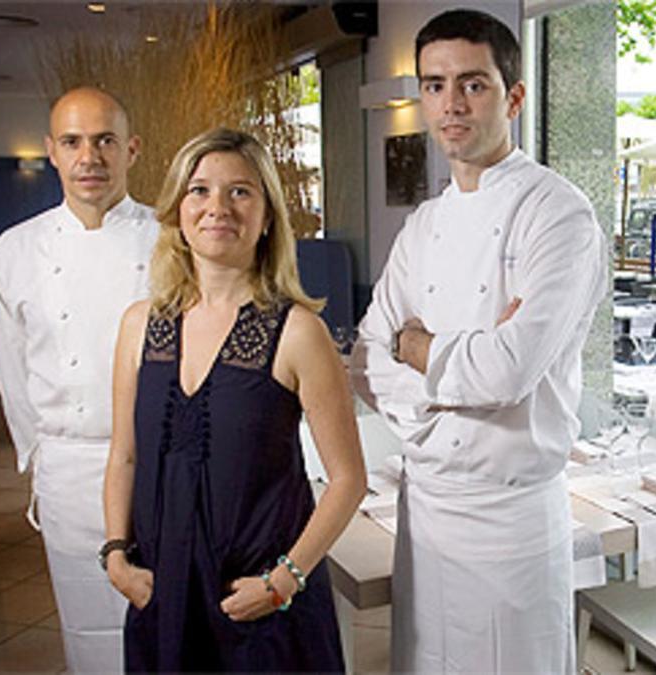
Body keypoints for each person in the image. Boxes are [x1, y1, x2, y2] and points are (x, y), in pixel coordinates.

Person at [349, 9, 606, 673]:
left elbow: (508, 371)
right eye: (434, 85)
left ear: (514, 97)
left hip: (511, 519)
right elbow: (366, 360)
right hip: (426, 508)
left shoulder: (560, 214)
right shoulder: (423, 224)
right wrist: (451, 381)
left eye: (473, 84)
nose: (450, 104)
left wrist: (419, 347)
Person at [102, 127, 365, 672]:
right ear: (177, 209)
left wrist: (283, 580)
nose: (217, 206)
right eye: (199, 190)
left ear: (267, 216)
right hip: (164, 592)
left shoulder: (297, 332)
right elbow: (124, 455)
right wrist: (115, 555)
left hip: (259, 604)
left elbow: (347, 480)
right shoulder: (138, 325)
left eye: (241, 191)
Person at [0, 86, 157, 672]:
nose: (90, 157)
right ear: (51, 152)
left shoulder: (173, 243)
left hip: (159, 463)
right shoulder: (11, 253)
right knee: (87, 627)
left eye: (105, 140)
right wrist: (39, 458)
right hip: (68, 467)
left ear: (131, 149)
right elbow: (11, 371)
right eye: (73, 142)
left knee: (164, 619)